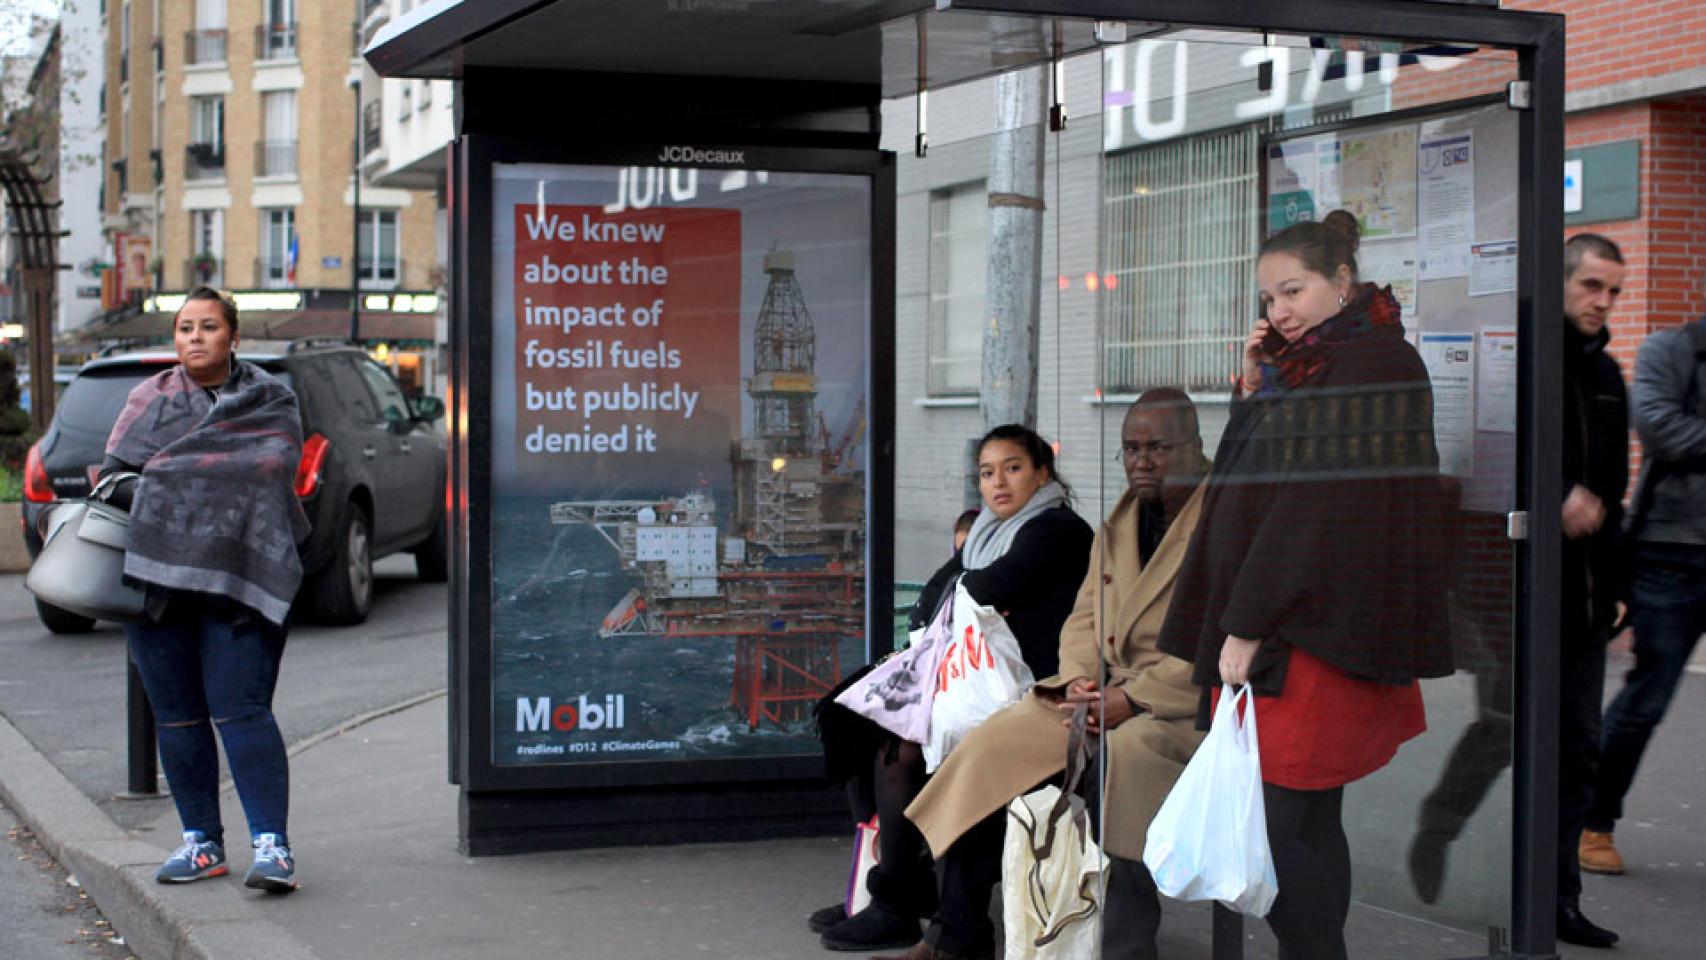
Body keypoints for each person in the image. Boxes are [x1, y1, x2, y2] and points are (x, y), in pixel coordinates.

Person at [1157, 212, 1452, 960]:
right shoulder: (1315, 363)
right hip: (1302, 623)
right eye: (1269, 297)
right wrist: (1256, 388)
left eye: (1293, 290)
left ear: (1343, 283)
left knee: (1269, 821)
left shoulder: (1372, 362)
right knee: (1311, 818)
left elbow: (1317, 508)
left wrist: (1249, 621)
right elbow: (1251, 478)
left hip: (1307, 631)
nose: (1279, 310)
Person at [890, 389, 1211, 960]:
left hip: (1176, 707)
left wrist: (1132, 699)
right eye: (1130, 448)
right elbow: (1086, 616)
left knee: (1123, 767)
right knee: (991, 743)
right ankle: (952, 932)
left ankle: (1126, 948)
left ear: (1193, 446)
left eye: (1157, 447)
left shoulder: (1220, 518)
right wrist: (1081, 679)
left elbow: (1221, 635)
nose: (1141, 460)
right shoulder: (1122, 521)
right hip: (1094, 693)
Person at [814, 425, 1092, 953]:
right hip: (972, 681)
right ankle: (896, 887)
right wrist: (958, 587)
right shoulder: (989, 530)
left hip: (1030, 689)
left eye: (1012, 468)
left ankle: (899, 900)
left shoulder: (1059, 530)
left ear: (1042, 472)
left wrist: (959, 586)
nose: (998, 483)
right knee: (861, 720)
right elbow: (936, 597)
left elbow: (985, 585)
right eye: (987, 473)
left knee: (903, 750)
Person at [101, 287, 310, 893]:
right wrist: (197, 483)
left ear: (233, 337)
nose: (194, 337)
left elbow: (273, 471)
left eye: (208, 327)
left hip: (243, 577)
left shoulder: (271, 398)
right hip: (157, 581)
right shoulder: (148, 401)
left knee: (243, 710)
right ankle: (201, 843)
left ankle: (273, 847)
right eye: (185, 328)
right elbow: (112, 476)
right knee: (178, 718)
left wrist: (172, 479)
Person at [1579, 312, 1705, 880]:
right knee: (1647, 700)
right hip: (1672, 552)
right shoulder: (1671, 349)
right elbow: (1660, 428)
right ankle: (1593, 820)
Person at [1544, 233, 1631, 949]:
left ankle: (1557, 901)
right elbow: (1484, 460)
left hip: (1585, 603)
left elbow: (1614, 496)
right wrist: (1552, 496)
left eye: (1612, 292)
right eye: (1591, 286)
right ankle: (1445, 835)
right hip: (1520, 597)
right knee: (1509, 739)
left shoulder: (1607, 376)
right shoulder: (1526, 363)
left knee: (1578, 748)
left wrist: (1618, 586)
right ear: (1562, 283)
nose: (1602, 302)